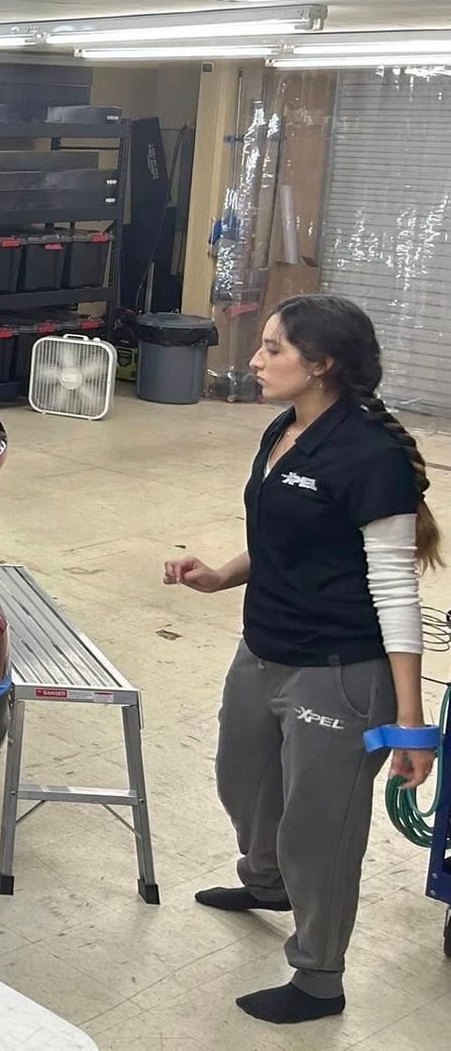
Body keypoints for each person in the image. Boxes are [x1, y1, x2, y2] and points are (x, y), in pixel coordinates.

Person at [164, 294, 440, 1024]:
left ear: (322, 365)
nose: (255, 360)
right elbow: (292, 538)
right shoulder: (286, 428)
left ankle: (319, 975)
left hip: (340, 669)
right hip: (265, 646)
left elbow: (393, 587)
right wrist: (223, 574)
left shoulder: (370, 455)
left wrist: (410, 720)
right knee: (241, 781)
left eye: (275, 349)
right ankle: (264, 883)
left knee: (320, 830)